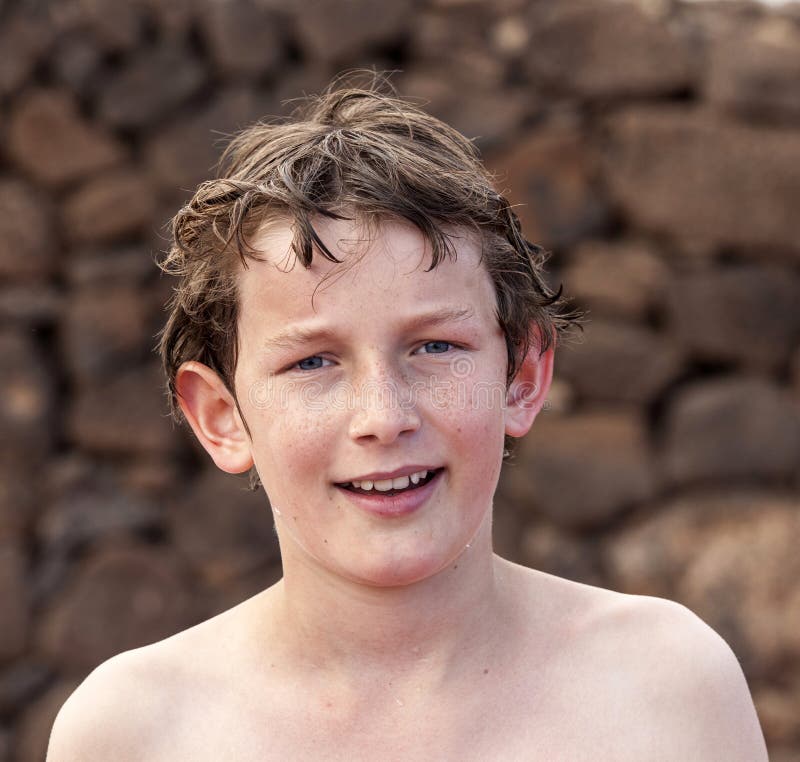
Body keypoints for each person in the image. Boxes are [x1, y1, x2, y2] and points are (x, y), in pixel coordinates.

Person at [46, 78, 767, 761]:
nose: (383, 418)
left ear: (521, 378)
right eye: (312, 362)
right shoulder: (135, 732)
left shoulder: (666, 689)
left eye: (435, 347)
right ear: (222, 416)